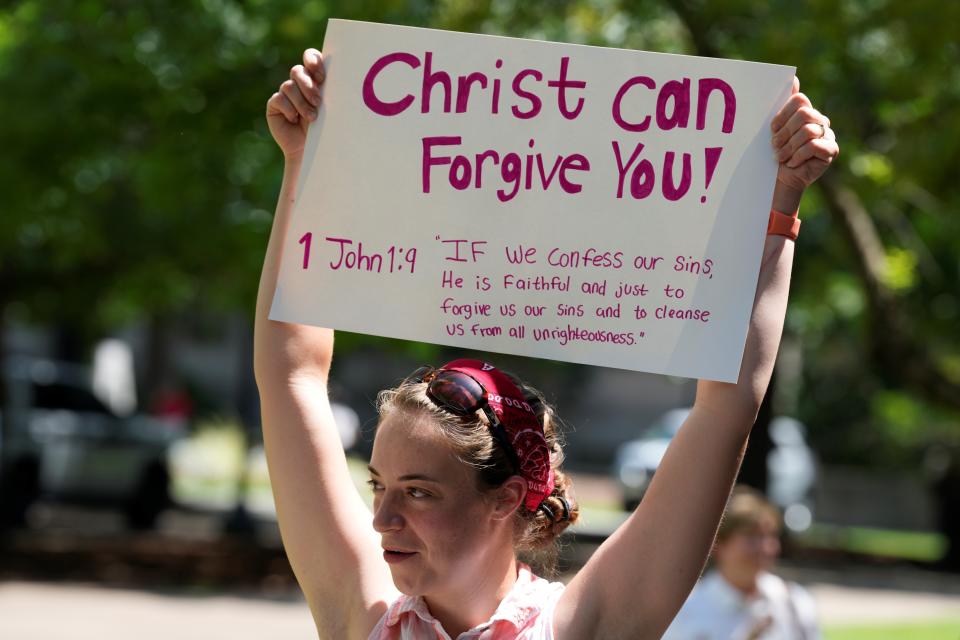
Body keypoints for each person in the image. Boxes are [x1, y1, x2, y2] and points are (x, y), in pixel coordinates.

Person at [255, 48, 839, 640]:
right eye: (379, 485)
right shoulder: (367, 616)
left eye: (419, 491)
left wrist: (780, 196)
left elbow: (726, 406)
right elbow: (291, 376)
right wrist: (307, 160)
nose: (382, 518)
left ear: (505, 498)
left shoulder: (580, 628)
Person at [662, 486, 820, 640]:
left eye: (771, 536)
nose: (766, 547)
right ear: (718, 544)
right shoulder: (687, 612)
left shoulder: (794, 601)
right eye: (752, 537)